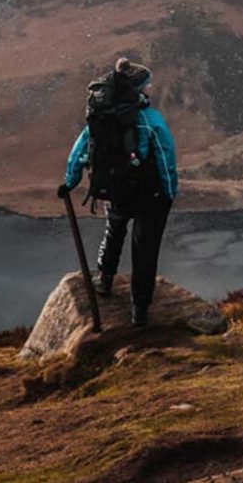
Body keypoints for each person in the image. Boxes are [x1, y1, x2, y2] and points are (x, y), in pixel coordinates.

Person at [59, 57, 178, 327]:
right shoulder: (150, 120)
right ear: (139, 89)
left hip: (116, 190)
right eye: (148, 84)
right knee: (145, 249)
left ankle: (104, 280)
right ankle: (140, 309)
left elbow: (80, 151)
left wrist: (69, 181)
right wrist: (169, 192)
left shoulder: (103, 117)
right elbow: (165, 158)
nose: (152, 87)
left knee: (114, 231)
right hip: (150, 195)